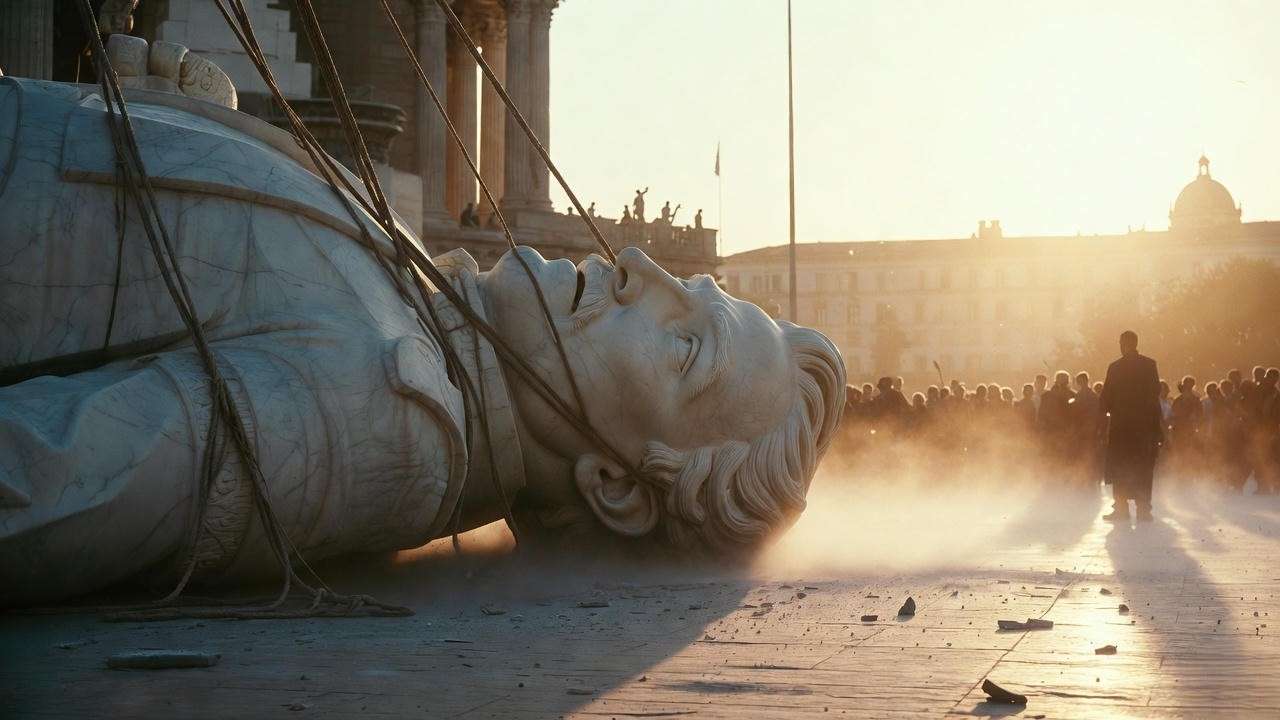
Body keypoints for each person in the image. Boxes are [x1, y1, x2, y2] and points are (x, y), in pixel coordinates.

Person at [0, 77, 848, 604]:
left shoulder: (391, 414)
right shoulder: (408, 304)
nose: (636, 265)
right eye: (690, 290)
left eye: (682, 347)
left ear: (615, 488)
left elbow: (41, 480)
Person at [1098, 331, 1162, 521]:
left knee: (1121, 467)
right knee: (1142, 467)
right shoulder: (1150, 365)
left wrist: (1109, 412)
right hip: (1144, 427)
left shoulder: (1115, 367)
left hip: (1121, 428)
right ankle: (1143, 509)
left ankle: (1121, 508)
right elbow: (1154, 394)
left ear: (1123, 344)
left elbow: (1106, 398)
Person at [1169, 375, 1204, 479]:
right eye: (1187, 385)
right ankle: (1182, 474)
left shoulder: (1195, 400)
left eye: (1190, 385)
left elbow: (1200, 416)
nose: (1188, 388)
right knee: (1181, 453)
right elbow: (1174, 415)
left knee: (1190, 452)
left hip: (1190, 430)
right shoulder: (1178, 400)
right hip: (1180, 430)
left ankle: (1188, 474)